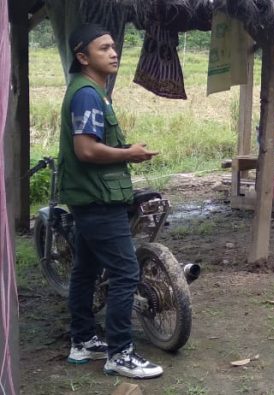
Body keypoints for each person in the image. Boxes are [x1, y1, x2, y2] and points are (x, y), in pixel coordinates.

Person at [60, 24, 163, 378]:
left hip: (91, 197)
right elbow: (85, 149)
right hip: (97, 200)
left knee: (85, 270)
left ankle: (84, 340)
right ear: (83, 56)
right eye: (103, 48)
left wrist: (125, 153)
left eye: (114, 47)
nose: (114, 52)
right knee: (125, 272)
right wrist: (128, 154)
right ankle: (120, 353)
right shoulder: (87, 93)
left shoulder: (92, 91)